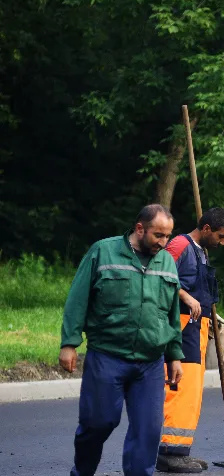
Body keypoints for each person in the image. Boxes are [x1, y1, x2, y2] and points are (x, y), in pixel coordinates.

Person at [60, 204, 184, 476]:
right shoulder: (103, 252)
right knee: (98, 422)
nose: (164, 243)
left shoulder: (166, 262)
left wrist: (175, 355)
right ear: (140, 228)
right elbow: (77, 299)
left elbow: (171, 312)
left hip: (150, 363)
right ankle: (82, 471)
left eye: (168, 236)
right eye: (158, 235)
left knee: (148, 431)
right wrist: (69, 343)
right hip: (107, 356)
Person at [157, 207, 224, 473]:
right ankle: (169, 452)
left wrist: (212, 318)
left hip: (196, 328)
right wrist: (186, 297)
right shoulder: (179, 245)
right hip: (180, 326)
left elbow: (198, 288)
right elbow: (159, 276)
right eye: (221, 236)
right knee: (180, 389)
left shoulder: (201, 251)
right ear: (206, 229)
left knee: (192, 393)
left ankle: (180, 450)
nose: (222, 242)